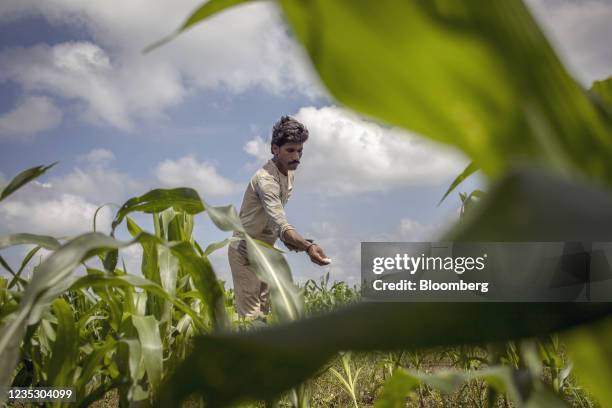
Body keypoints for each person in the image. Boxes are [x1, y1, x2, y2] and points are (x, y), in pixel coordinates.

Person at [228, 115, 330, 319]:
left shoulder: (289, 172)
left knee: (264, 313)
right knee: (251, 317)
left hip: (266, 251)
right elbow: (281, 223)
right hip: (245, 250)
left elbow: (274, 222)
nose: (296, 157)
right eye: (290, 150)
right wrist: (307, 247)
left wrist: (294, 242)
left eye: (300, 150)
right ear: (275, 148)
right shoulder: (266, 181)